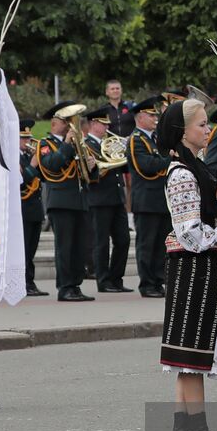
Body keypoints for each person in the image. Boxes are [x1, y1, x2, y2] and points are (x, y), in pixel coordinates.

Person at [158, 98, 217, 431]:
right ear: (182, 131)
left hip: (199, 268)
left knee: (189, 356)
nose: (208, 129)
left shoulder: (196, 166)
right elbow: (190, 233)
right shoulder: (181, 172)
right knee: (192, 357)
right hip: (192, 268)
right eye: (202, 124)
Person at [40, 101, 95, 301]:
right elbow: (51, 166)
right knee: (65, 247)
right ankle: (65, 287)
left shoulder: (75, 144)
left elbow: (89, 176)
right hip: (61, 202)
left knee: (81, 247)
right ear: (55, 123)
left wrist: (91, 165)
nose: (72, 124)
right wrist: (66, 145)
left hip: (79, 201)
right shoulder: (45, 144)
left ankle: (76, 285)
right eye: (66, 121)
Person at [84, 105, 131, 293]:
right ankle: (103, 281)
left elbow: (122, 167)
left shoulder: (109, 143)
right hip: (99, 198)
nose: (107, 127)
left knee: (123, 240)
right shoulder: (87, 145)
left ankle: (116, 278)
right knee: (101, 242)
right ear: (94, 124)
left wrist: (126, 151)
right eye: (104, 124)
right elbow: (90, 172)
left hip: (117, 197)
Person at [129, 96, 172, 298]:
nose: (155, 118)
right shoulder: (136, 140)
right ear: (140, 117)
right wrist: (169, 159)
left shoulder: (155, 139)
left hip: (161, 199)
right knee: (146, 245)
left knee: (160, 245)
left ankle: (158, 280)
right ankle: (147, 283)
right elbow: (146, 166)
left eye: (155, 114)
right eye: (151, 115)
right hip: (146, 200)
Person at [19, 119, 48, 297]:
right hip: (22, 209)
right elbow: (21, 182)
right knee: (24, 249)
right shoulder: (12, 157)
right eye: (23, 138)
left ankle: (30, 282)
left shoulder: (28, 156)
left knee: (32, 248)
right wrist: (33, 164)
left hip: (35, 209)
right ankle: (24, 282)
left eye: (29, 138)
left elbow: (43, 178)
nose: (28, 142)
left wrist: (40, 162)